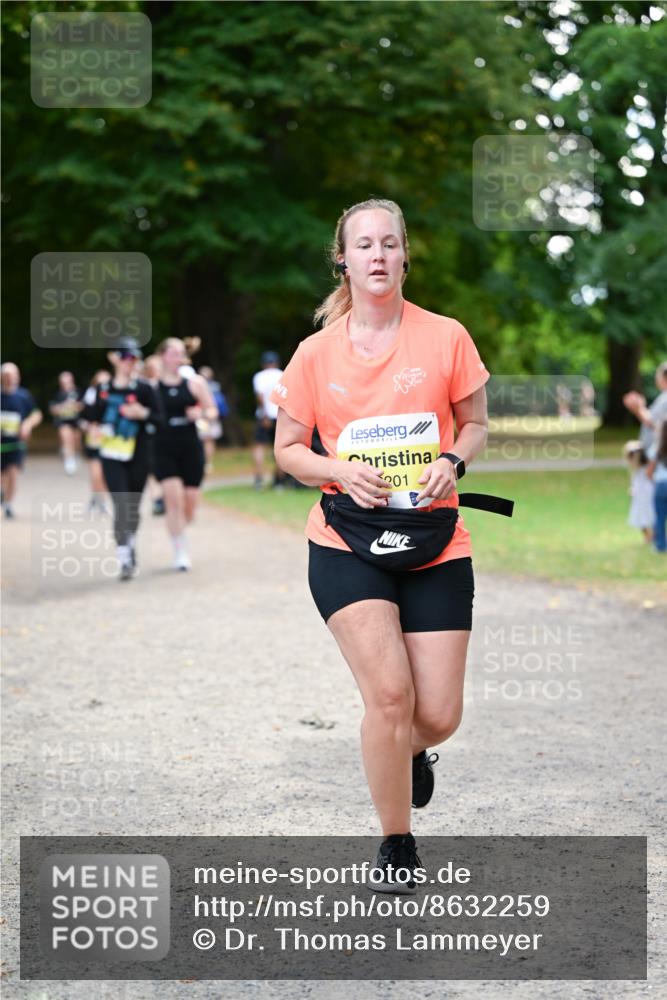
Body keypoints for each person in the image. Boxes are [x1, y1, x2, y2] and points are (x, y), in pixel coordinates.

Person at [272, 199, 495, 892]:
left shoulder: (445, 336)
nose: (376, 255)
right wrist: (339, 469)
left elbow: (475, 424)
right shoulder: (314, 354)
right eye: (363, 244)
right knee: (390, 699)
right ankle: (396, 842)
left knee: (438, 716)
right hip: (345, 538)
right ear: (343, 259)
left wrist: (451, 462)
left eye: (388, 243)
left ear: (403, 256)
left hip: (435, 537)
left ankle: (406, 754)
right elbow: (287, 450)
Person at [83, 339, 162, 581]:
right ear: (115, 358)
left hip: (139, 454)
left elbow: (160, 419)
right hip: (111, 456)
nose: (131, 363)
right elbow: (89, 419)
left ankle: (130, 543)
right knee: (121, 504)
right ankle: (124, 557)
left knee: (133, 508)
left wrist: (143, 413)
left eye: (135, 359)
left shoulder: (144, 389)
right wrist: (93, 430)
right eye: (126, 358)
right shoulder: (103, 389)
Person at [153, 338, 217, 571]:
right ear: (162, 356)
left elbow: (212, 410)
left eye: (180, 353)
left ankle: (181, 529)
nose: (176, 358)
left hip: (190, 448)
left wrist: (200, 415)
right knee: (174, 500)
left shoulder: (195, 384)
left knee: (190, 506)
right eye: (172, 353)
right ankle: (180, 552)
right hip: (163, 449)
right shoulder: (152, 386)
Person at [1, 362, 42, 518]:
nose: (11, 378)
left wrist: (27, 424)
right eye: (7, 375)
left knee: (13, 473)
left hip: (16, 444)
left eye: (14, 374)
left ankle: (9, 504)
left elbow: (37, 414)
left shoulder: (23, 396)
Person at [79, 369, 111, 514]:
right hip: (94, 436)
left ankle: (100, 500)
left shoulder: (114, 395)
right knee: (95, 471)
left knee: (105, 472)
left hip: (110, 437)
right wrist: (87, 426)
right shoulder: (89, 396)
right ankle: (96, 498)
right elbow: (81, 418)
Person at [252, 351, 286, 489]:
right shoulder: (282, 374)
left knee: (259, 447)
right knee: (280, 449)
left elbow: (260, 396)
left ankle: (259, 480)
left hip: (264, 416)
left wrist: (264, 414)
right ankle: (279, 481)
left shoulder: (259, 376)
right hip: (279, 415)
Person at [623, 362, 667, 450]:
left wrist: (638, 408)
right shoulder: (663, 397)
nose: (656, 379)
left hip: (658, 454)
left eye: (658, 375)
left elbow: (654, 423)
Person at [49, 371, 83, 475]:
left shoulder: (78, 392)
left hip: (76, 421)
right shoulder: (57, 394)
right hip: (63, 421)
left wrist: (75, 406)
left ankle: (75, 454)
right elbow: (53, 409)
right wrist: (64, 406)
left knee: (76, 441)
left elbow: (84, 406)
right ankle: (69, 462)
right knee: (67, 439)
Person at [623, 441, 654, 543]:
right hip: (643, 493)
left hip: (644, 493)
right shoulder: (640, 468)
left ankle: (651, 536)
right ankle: (650, 536)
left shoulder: (641, 467)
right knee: (646, 516)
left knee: (645, 515)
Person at [197, 365, 225, 474]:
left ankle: (205, 463)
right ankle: (207, 463)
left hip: (203, 417)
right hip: (210, 417)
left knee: (204, 440)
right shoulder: (215, 386)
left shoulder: (196, 385)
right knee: (208, 440)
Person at [646, 421, 667, 554]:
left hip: (660, 485)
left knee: (659, 517)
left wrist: (656, 482)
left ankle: (660, 545)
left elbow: (649, 472)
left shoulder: (657, 447)